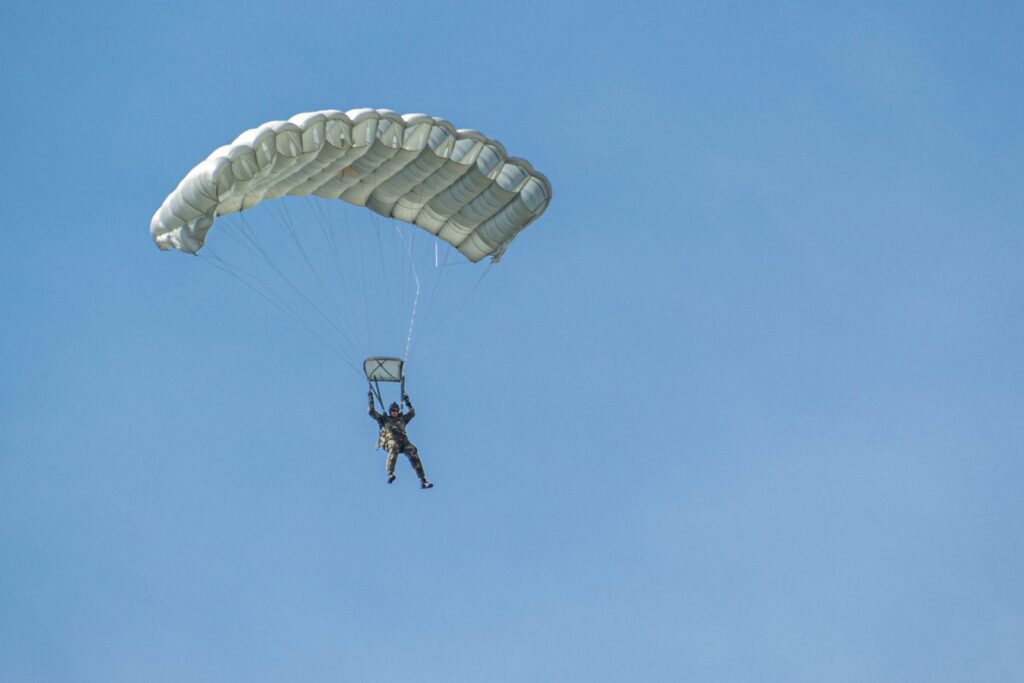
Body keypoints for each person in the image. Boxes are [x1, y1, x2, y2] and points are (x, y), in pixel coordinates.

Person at [368, 390, 433, 489]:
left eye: (396, 410)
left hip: (404, 441)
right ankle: (390, 473)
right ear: (390, 411)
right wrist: (370, 397)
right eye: (393, 410)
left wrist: (407, 401)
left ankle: (422, 480)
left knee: (413, 450)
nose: (395, 412)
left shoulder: (402, 419)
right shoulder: (384, 419)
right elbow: (371, 412)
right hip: (391, 441)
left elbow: (412, 413)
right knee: (394, 447)